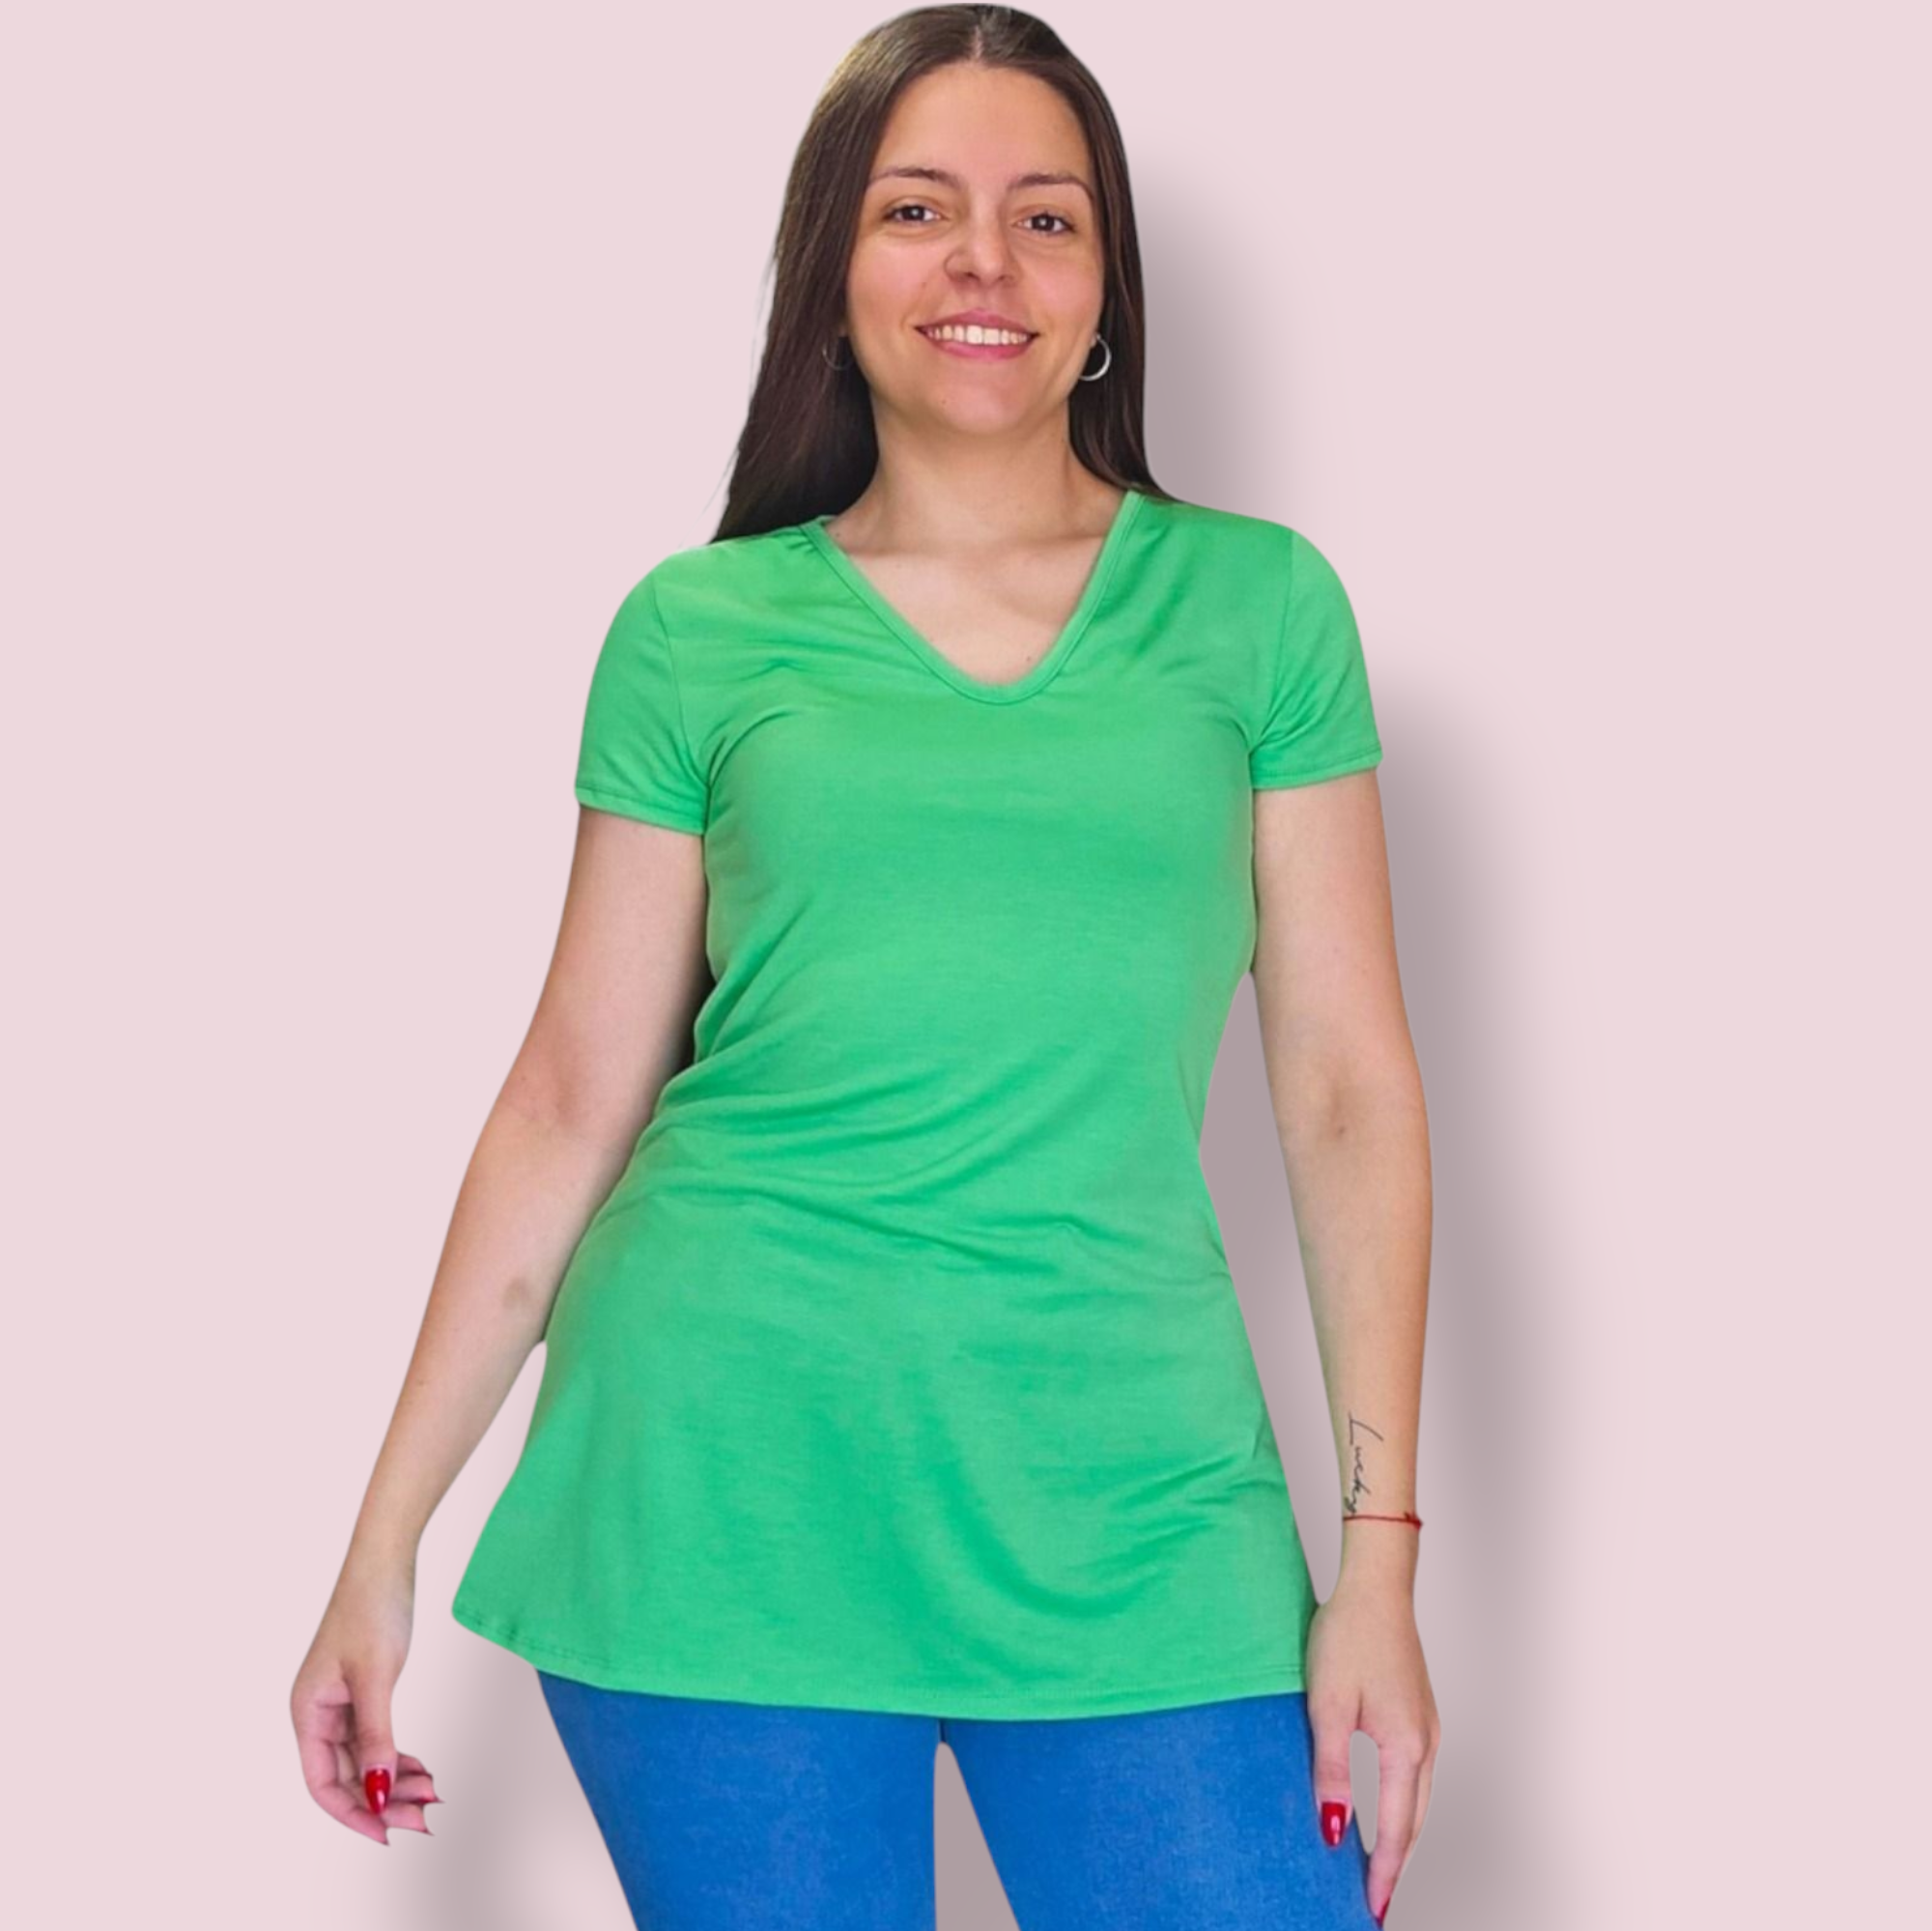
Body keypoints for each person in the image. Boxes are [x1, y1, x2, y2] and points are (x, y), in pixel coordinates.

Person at [290, 8, 1439, 1927]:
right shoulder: (700, 629)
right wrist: (378, 1544)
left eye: (1045, 218)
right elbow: (571, 1097)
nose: (984, 262)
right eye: (918, 210)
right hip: (724, 1471)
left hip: (1135, 1495)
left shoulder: (1259, 609)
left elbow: (1342, 1092)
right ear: (832, 270)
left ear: (1106, 290)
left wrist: (1378, 1561)